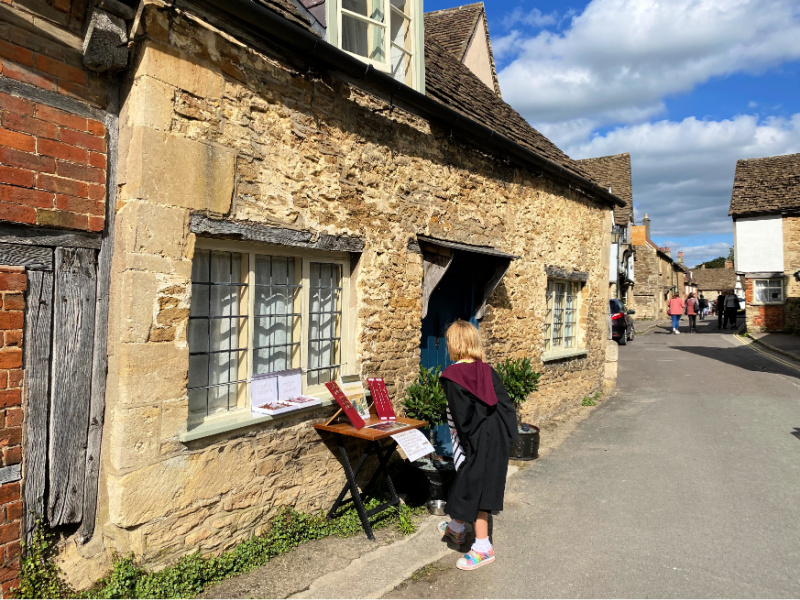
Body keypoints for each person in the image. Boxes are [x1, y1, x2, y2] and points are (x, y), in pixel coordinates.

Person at [437, 320, 518, 571]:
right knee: (471, 482)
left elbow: (463, 420)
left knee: (478, 487)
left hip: (478, 438)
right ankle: (457, 528)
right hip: (497, 436)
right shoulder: (486, 370)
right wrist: (509, 437)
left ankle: (483, 548)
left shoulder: (453, 376)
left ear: (454, 344)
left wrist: (468, 451)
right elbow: (505, 405)